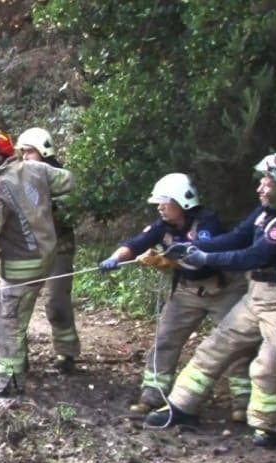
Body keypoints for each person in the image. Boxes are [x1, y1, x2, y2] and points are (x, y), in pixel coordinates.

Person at [146, 152, 276, 447]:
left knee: (270, 363)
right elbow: (236, 238)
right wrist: (191, 247)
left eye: (267, 181)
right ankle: (182, 407)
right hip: (256, 294)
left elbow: (253, 256)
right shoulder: (264, 213)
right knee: (214, 348)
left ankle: (266, 425)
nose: (260, 187)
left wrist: (204, 257)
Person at [98, 173, 252, 422]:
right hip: (187, 292)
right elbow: (136, 243)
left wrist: (167, 259)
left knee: (237, 345)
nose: (159, 207)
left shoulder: (207, 223)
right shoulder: (162, 226)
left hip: (222, 290)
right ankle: (152, 394)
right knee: (165, 338)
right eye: (158, 202)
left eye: (165, 202)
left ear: (183, 201)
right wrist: (115, 259)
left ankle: (243, 403)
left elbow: (203, 255)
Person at [0, 129, 73, 395]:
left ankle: (9, 383)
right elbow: (68, 181)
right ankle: (17, 365)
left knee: (7, 323)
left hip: (21, 267)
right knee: (17, 316)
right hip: (47, 258)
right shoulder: (36, 169)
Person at [16, 128, 81, 373]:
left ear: (44, 152)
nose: (25, 157)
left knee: (57, 302)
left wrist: (45, 206)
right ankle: (15, 355)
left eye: (30, 152)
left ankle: (66, 353)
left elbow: (69, 212)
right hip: (28, 251)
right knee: (17, 303)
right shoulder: (19, 178)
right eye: (23, 153)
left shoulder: (61, 179)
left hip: (58, 249)